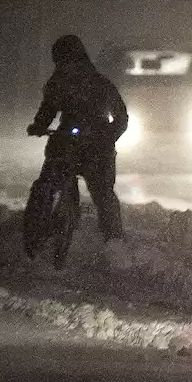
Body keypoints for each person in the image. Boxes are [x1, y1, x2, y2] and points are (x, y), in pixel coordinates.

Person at [26, 34, 128, 242]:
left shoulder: (100, 84)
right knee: (49, 175)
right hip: (66, 138)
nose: (64, 66)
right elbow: (48, 108)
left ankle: (114, 238)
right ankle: (40, 218)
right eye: (60, 62)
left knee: (102, 193)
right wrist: (39, 125)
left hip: (97, 145)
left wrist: (107, 136)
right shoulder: (57, 83)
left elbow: (121, 117)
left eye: (67, 60)